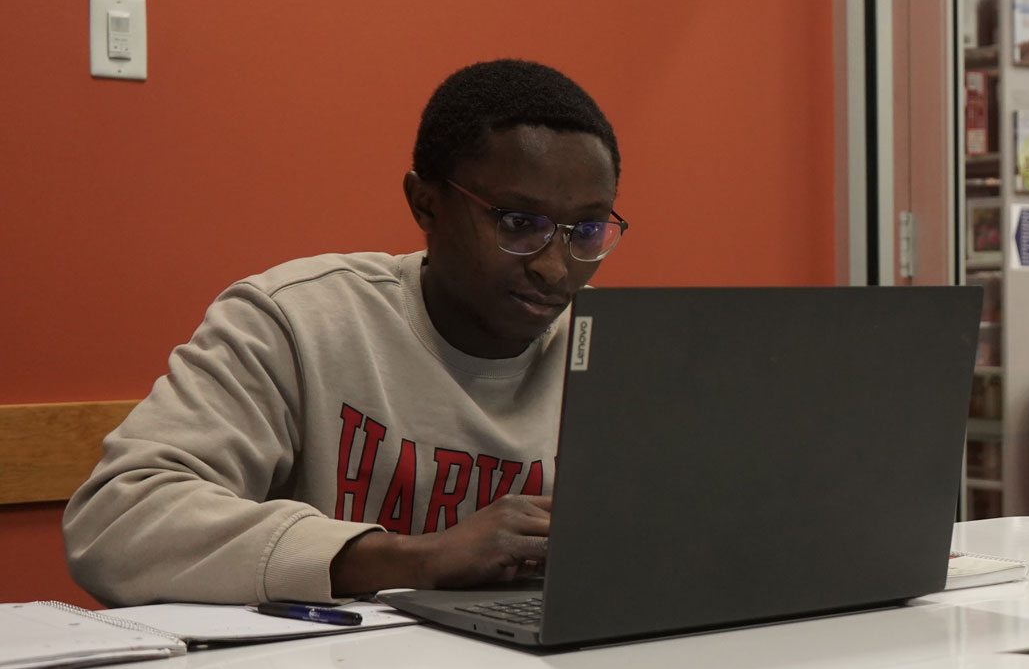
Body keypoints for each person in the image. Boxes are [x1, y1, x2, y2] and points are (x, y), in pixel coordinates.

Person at [65, 59, 626, 606]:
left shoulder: (617, 349)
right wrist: (416, 559)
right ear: (425, 204)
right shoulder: (296, 320)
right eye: (519, 224)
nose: (556, 268)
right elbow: (115, 523)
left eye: (589, 229)